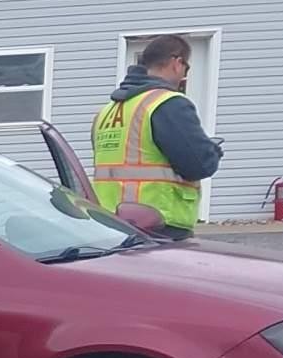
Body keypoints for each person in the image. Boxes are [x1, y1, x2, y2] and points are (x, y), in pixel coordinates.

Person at [92, 34, 223, 238]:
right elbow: (198, 164)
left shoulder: (107, 111)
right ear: (177, 62)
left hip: (110, 222)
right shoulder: (168, 104)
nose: (184, 75)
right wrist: (212, 151)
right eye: (186, 68)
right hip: (160, 221)